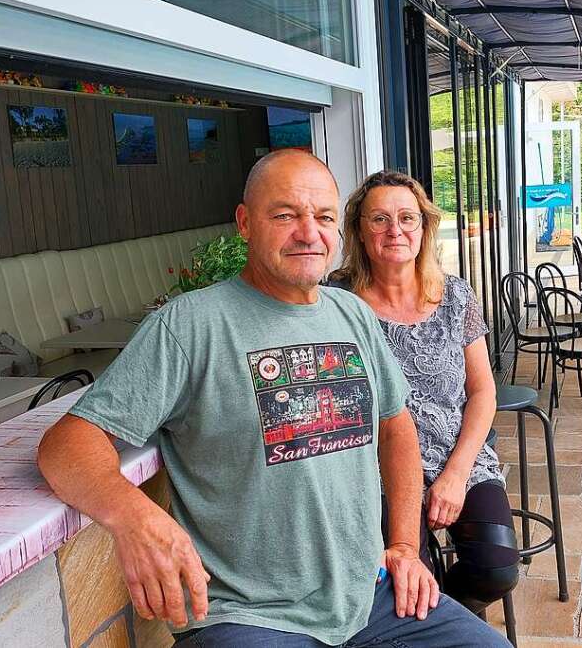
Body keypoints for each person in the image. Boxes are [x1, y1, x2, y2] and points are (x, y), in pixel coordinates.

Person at [37, 150, 510, 648]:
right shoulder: (189, 327)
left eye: (323, 216)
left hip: (368, 599)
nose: (308, 233)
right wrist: (134, 516)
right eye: (285, 215)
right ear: (245, 223)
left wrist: (404, 546)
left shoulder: (352, 314)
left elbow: (396, 427)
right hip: (249, 617)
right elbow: (66, 445)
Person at [330, 170, 519, 616]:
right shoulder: (336, 301)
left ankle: (448, 620)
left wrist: (456, 474)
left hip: (457, 456)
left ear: (424, 226)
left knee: (496, 568)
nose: (394, 230)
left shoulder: (454, 295)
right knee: (409, 580)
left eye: (406, 218)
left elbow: (482, 391)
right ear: (359, 230)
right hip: (377, 470)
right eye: (379, 219)